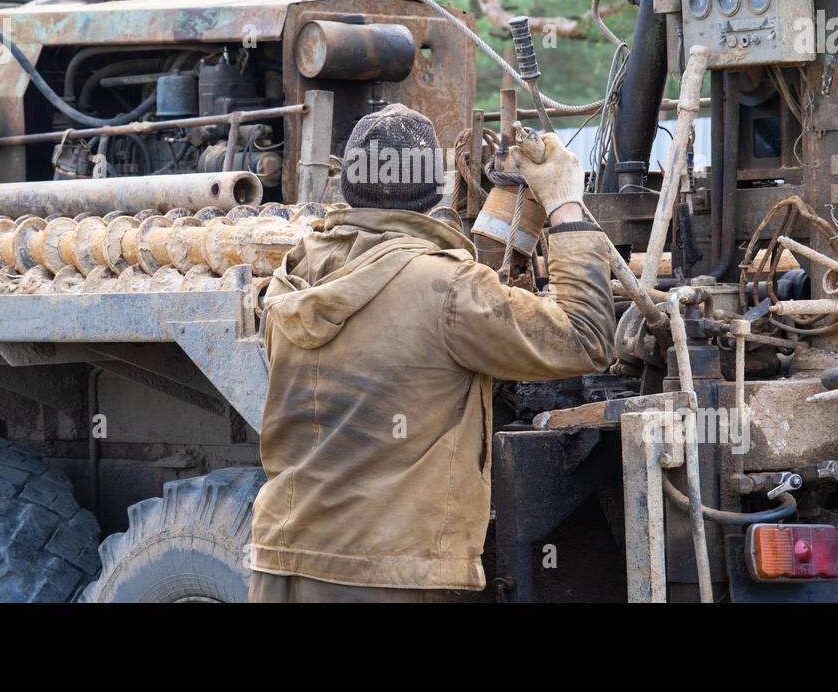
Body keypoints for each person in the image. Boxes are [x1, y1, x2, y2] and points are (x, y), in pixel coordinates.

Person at [249, 103, 616, 602]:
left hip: (281, 564)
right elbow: (586, 336)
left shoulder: (293, 275)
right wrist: (564, 202)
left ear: (347, 185)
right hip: (388, 576)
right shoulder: (447, 288)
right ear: (435, 192)